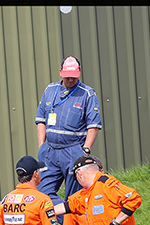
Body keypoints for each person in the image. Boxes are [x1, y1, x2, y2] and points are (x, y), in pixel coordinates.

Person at [35, 56, 102, 216]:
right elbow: (41, 120)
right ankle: (67, 221)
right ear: (60, 73)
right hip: (50, 150)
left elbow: (93, 126)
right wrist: (41, 146)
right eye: (67, 76)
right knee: (44, 192)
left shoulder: (87, 94)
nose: (70, 79)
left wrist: (85, 150)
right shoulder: (50, 90)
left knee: (75, 196)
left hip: (73, 151)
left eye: (74, 76)